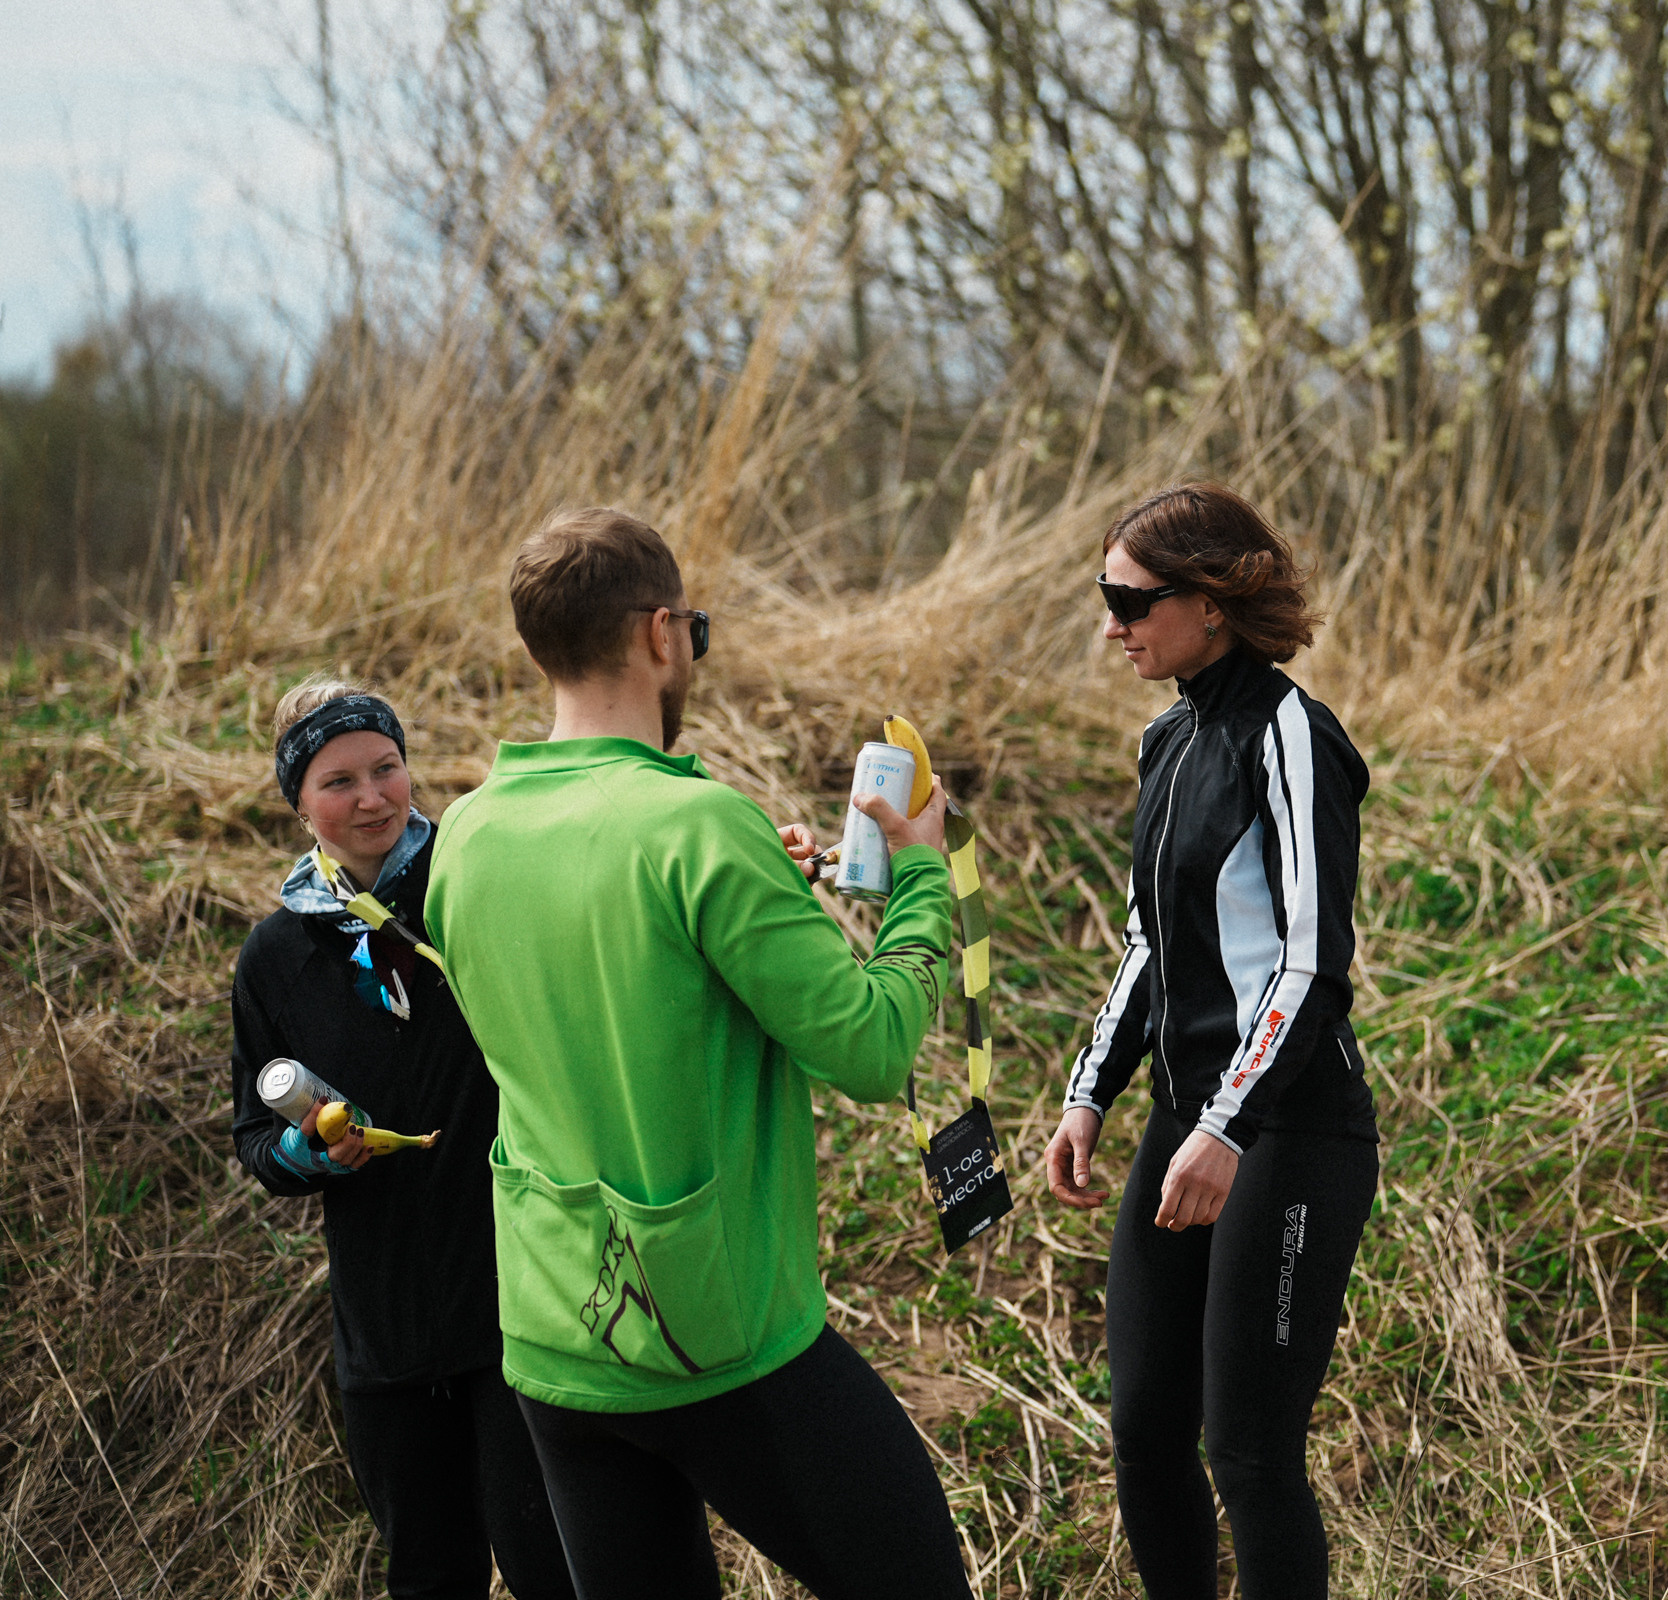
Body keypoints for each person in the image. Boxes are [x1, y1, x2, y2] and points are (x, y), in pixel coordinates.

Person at [422, 506, 972, 1600]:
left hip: (553, 1341)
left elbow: (609, 986)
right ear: (662, 633)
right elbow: (869, 1049)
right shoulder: (696, 828)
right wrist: (919, 871)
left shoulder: (466, 836)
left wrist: (757, 886)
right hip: (717, 1336)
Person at [1045, 483, 1380, 1600]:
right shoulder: (1167, 737)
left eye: (1129, 600)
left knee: (1247, 1449)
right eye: (1109, 598)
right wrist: (1090, 1093)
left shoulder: (1293, 735)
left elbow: (1309, 959)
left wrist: (1229, 1124)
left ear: (1213, 603)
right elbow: (1152, 940)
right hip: (1189, 1126)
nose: (1111, 625)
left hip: (1288, 1130)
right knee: (1143, 1429)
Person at [229, 679, 575, 1600]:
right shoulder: (276, 959)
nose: (373, 797)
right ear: (298, 801)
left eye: (388, 768)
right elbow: (255, 1140)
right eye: (339, 781)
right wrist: (313, 1152)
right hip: (384, 1337)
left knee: (555, 1569)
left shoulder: (473, 886)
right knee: (429, 1578)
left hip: (519, 1310)